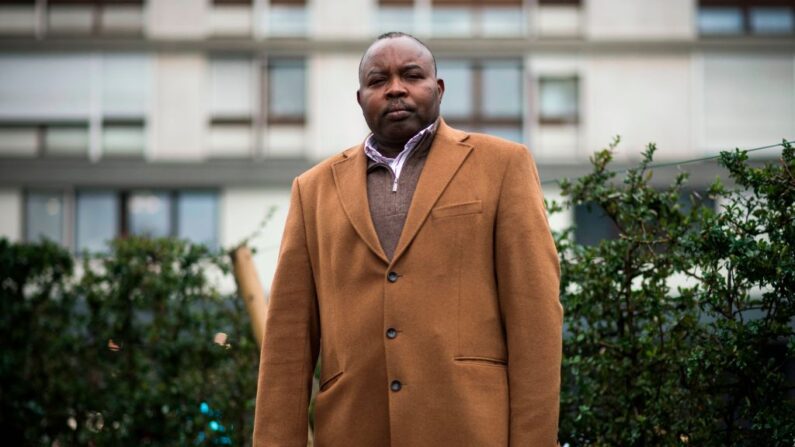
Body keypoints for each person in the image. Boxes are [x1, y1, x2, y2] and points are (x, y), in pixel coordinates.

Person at [253, 32, 563, 447]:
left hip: (471, 428)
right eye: (378, 80)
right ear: (360, 98)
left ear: (438, 89)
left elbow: (535, 320)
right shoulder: (312, 190)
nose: (395, 88)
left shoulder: (503, 165)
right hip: (352, 431)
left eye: (411, 75)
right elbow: (287, 344)